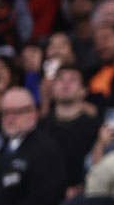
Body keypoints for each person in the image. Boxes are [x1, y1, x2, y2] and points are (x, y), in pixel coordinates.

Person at [38, 66, 101, 194]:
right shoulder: (40, 127)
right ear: (52, 88)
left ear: (84, 91)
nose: (65, 84)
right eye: (60, 79)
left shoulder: (95, 126)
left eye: (72, 80)